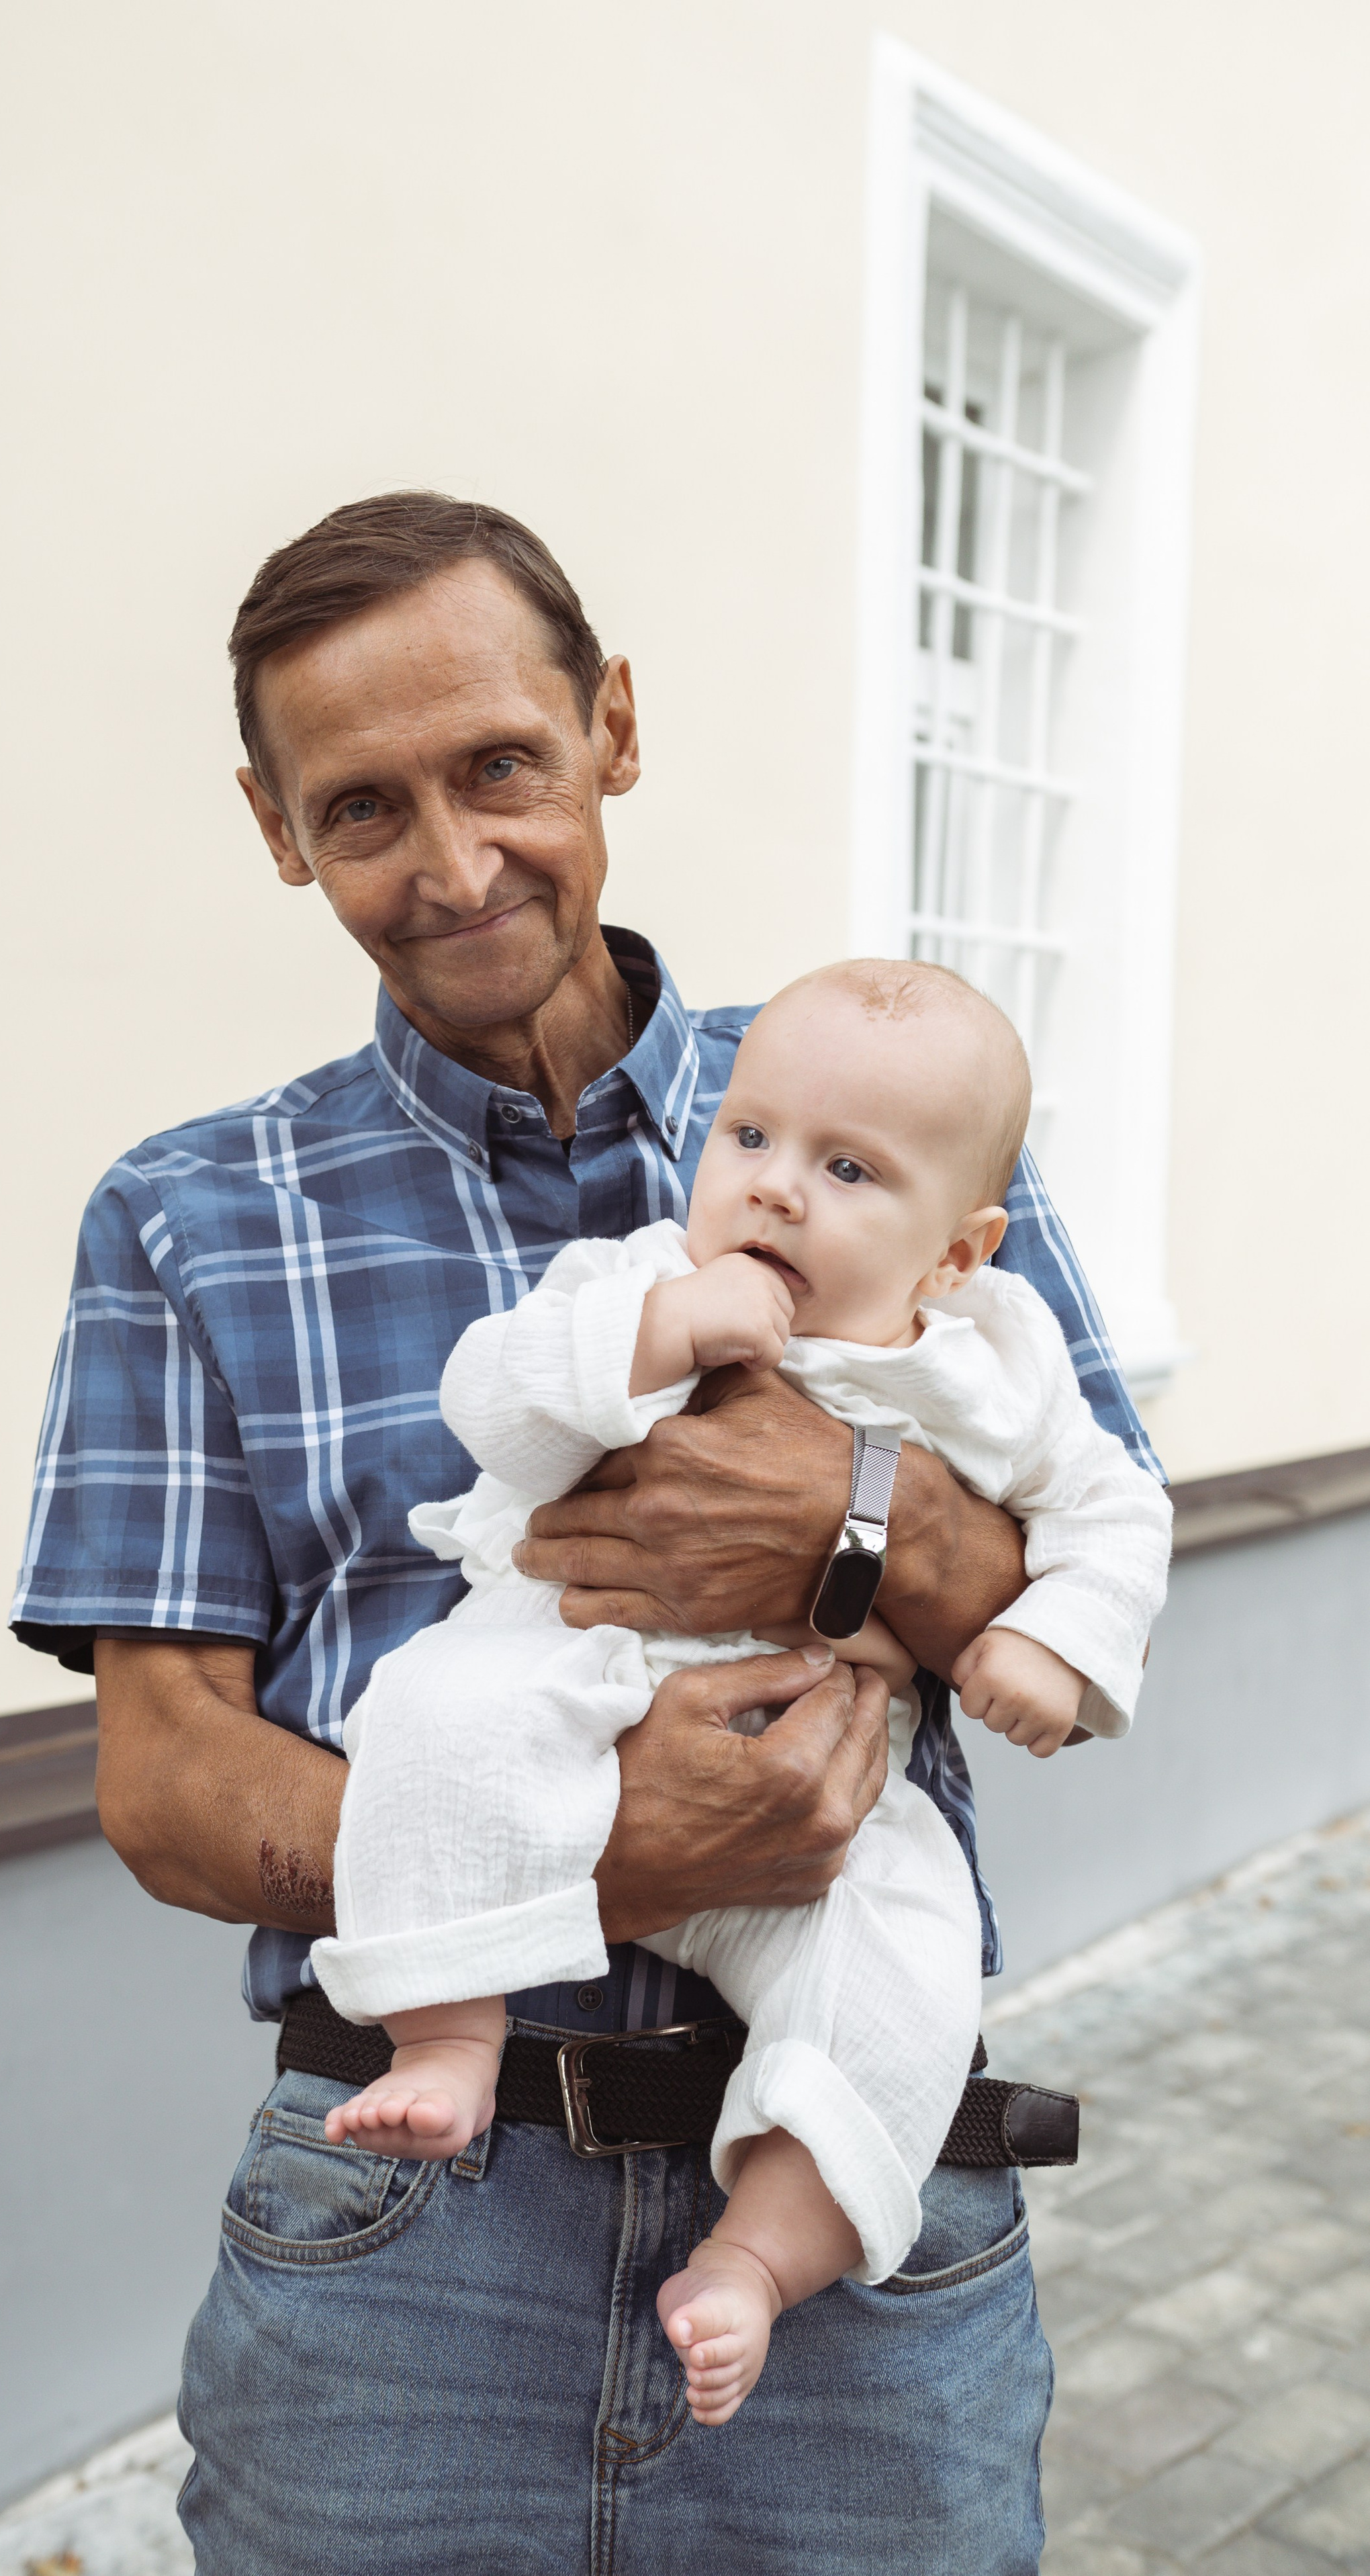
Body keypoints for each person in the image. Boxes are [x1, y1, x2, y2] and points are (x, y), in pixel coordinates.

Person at [11, 492, 1164, 2573]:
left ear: (612, 726)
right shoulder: (186, 1218)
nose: (455, 865)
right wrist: (605, 1853)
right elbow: (165, 1783)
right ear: (279, 829)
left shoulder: (898, 1112)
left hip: (849, 2189)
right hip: (404, 2228)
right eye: (363, 809)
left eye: (501, 766)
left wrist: (850, 1519)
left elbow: (1096, 1564)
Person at [311, 958, 1172, 2424]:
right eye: (751, 1137)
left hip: (826, 1790)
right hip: (566, 1678)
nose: (772, 1187)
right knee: (433, 1716)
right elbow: (492, 1397)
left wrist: (1053, 1635)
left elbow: (1113, 1508)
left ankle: (759, 2256)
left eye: (847, 1169)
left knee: (908, 1952)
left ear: (957, 1254)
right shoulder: (635, 1278)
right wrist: (656, 1336)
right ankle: (446, 2034)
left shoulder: (999, 1360)